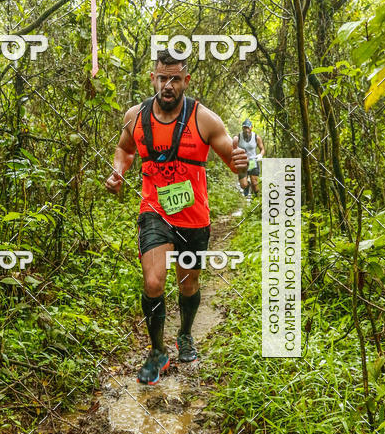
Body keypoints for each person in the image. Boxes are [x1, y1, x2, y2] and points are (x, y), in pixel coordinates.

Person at [105, 49, 248, 385]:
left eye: (174, 78)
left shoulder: (205, 119)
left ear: (185, 80)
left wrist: (241, 163)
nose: (167, 85)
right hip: (154, 211)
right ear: (153, 78)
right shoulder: (135, 117)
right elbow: (125, 149)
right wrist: (118, 173)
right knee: (153, 282)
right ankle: (157, 351)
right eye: (161, 77)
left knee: (189, 283)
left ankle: (184, 334)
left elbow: (232, 157)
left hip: (193, 216)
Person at [237, 119, 265, 197]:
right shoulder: (238, 137)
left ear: (251, 127)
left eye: (248, 128)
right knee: (243, 185)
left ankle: (256, 199)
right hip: (242, 162)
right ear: (242, 128)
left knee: (255, 183)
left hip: (253, 161)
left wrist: (260, 155)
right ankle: (247, 185)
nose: (246, 130)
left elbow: (262, 149)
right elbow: (233, 148)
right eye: (244, 128)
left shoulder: (256, 137)